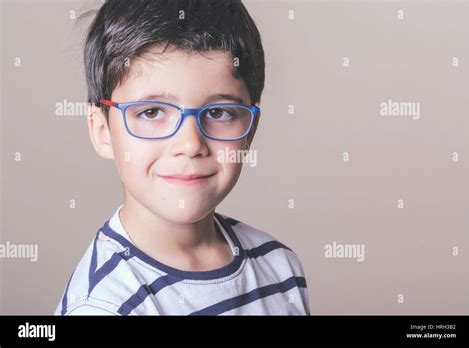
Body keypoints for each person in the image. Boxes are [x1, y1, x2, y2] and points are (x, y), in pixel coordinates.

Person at [55, 0, 310, 315]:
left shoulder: (279, 267)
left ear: (250, 129)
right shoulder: (104, 306)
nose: (190, 144)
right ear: (102, 131)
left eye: (218, 112)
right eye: (152, 112)